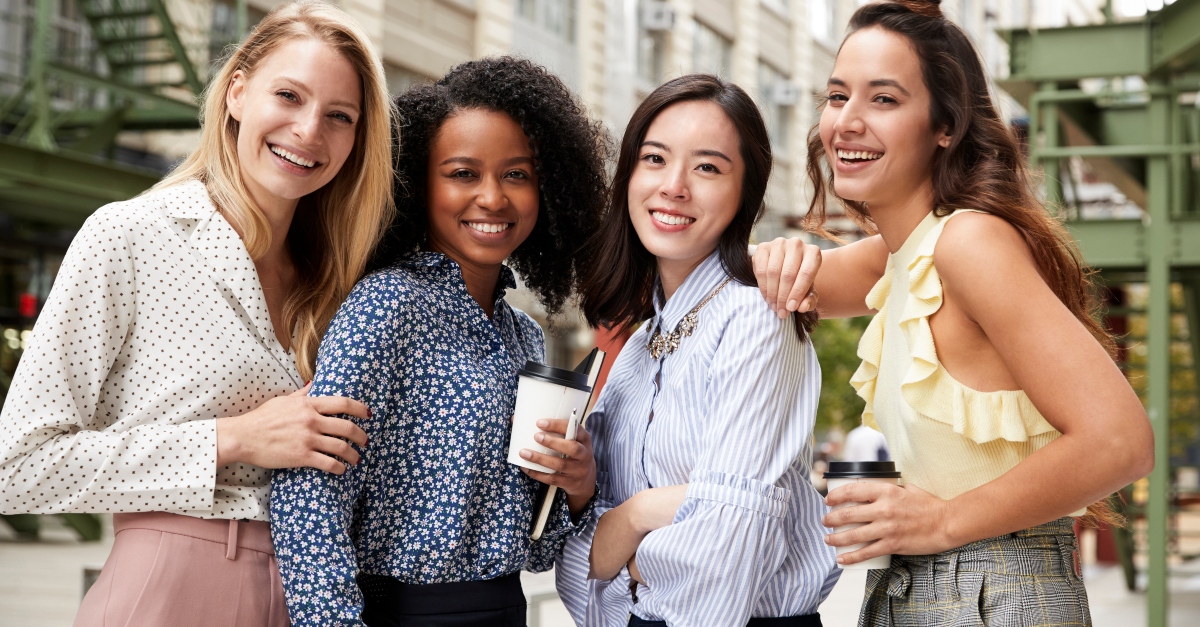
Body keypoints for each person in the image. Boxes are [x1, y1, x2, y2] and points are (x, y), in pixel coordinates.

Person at [752, 1, 1153, 624]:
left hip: (995, 592)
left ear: (945, 125)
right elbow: (747, 281)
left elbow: (1120, 441)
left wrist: (943, 520)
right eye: (837, 97)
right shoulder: (900, 255)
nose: (846, 122)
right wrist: (766, 249)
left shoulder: (967, 243)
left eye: (883, 100)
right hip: (920, 593)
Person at [0, 2, 395, 625]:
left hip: (315, 595)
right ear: (237, 91)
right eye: (288, 95)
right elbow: (16, 467)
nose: (309, 131)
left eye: (339, 116)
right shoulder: (129, 236)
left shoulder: (342, 284)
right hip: (169, 589)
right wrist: (233, 439)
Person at [269, 56, 610, 627]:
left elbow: (538, 548)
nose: (493, 198)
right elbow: (308, 495)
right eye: (462, 174)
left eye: (517, 175)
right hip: (398, 613)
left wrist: (575, 488)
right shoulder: (387, 306)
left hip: (504, 608)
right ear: (416, 187)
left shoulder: (521, 334)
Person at [555, 74, 839, 627]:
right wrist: (606, 507)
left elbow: (729, 539)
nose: (674, 186)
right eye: (655, 159)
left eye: (707, 167)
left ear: (745, 192)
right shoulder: (638, 349)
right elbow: (589, 556)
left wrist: (632, 520)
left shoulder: (758, 315)